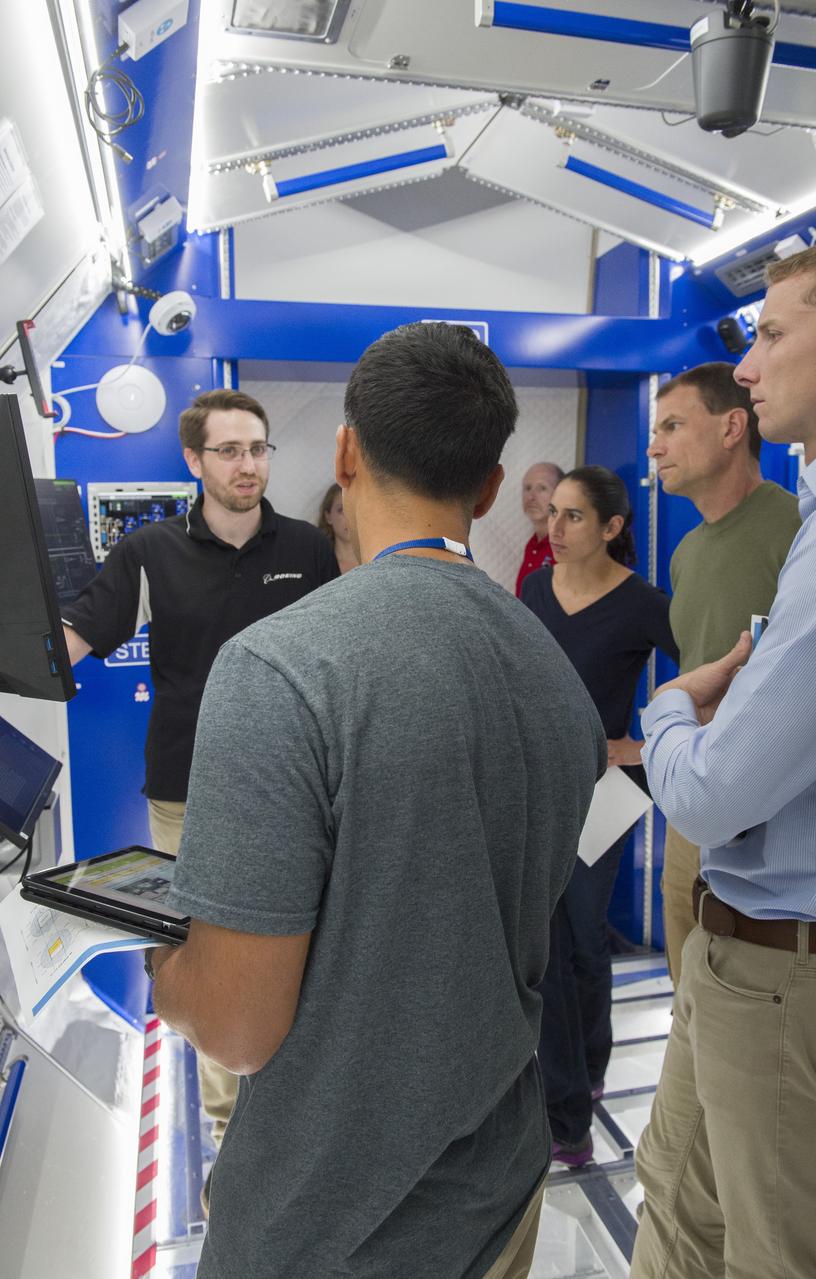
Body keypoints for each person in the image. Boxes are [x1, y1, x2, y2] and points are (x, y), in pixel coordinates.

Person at [146, 323, 608, 1279]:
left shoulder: (282, 666)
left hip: (332, 1224)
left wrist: (160, 956)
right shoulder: (552, 677)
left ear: (346, 453)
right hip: (497, 1193)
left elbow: (235, 1024)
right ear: (488, 488)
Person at [630, 232, 816, 1279]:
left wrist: (668, 706)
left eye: (767, 335)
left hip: (788, 972)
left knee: (772, 1250)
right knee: (675, 1199)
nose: (749, 364)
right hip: (741, 956)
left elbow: (715, 793)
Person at [61, 387, 338, 1171]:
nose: (248, 464)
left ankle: (292, 1106)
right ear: (194, 460)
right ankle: (231, 1134)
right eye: (229, 450)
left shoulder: (307, 550)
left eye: (257, 448)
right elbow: (76, 638)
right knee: (212, 962)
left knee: (299, 950)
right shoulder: (150, 552)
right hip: (187, 792)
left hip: (294, 789)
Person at [521, 466, 677, 1166]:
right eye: (552, 512)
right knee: (551, 946)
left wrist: (640, 743)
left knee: (583, 939)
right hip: (540, 788)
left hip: (612, 788)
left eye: (573, 515)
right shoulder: (531, 590)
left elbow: (721, 677)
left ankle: (584, 1068)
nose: (554, 527)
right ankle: (568, 1110)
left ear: (613, 528)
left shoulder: (644, 603)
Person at [648, 362, 799, 986]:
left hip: (773, 819)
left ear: (734, 426)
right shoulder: (686, 552)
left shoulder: (799, 531)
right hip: (693, 810)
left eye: (674, 426)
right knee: (687, 992)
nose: (655, 445)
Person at [515, 461, 565, 595]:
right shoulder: (531, 546)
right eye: (527, 488)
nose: (531, 497)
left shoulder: (566, 547)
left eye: (542, 488)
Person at [317, 480, 358, 572]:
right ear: (328, 517)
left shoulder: (378, 561)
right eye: (341, 510)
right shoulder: (318, 564)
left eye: (354, 508)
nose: (349, 517)